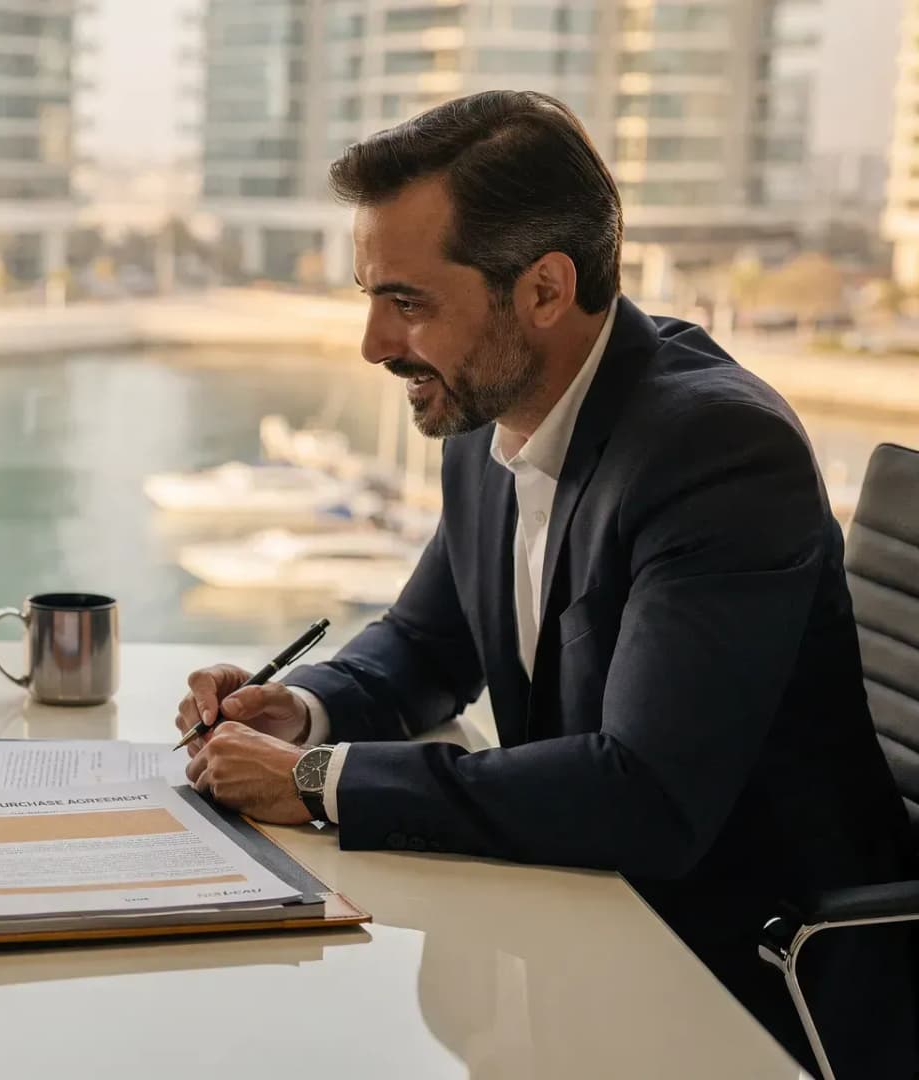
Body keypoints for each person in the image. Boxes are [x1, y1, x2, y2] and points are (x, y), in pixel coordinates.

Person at [174, 91, 914, 1075]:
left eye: (408, 301)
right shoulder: (488, 408)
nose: (373, 345)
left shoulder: (716, 453)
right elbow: (426, 644)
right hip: (573, 932)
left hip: (745, 975)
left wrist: (318, 784)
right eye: (370, 296)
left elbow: (644, 794)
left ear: (544, 291)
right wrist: (300, 713)